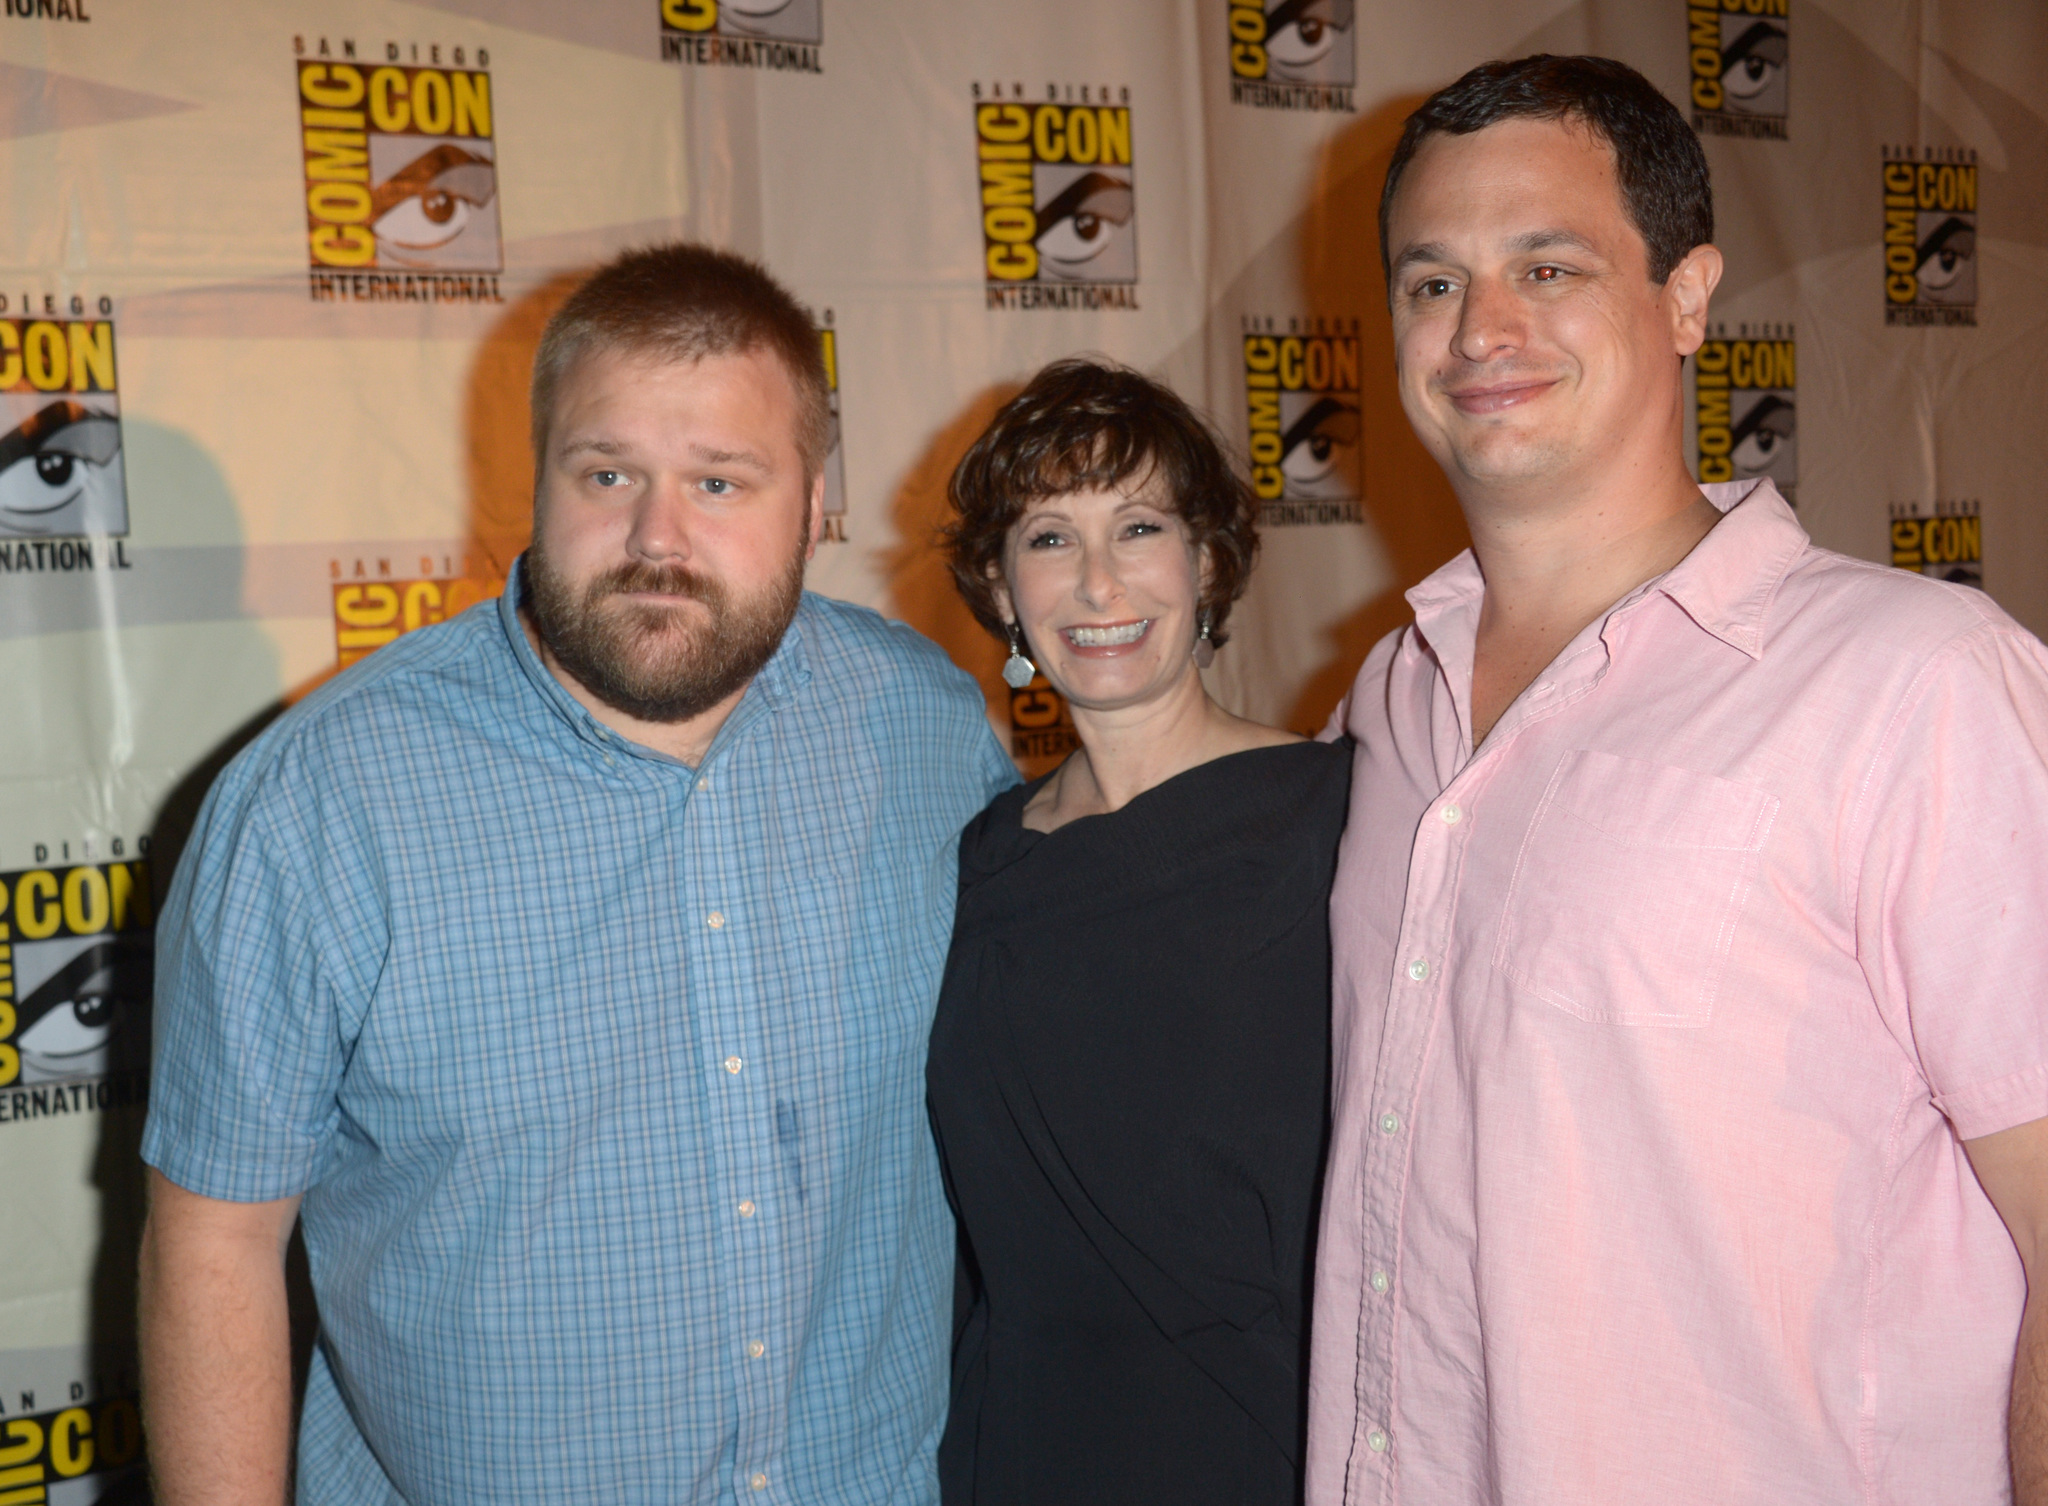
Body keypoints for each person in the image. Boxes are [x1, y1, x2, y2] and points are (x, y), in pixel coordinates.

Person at [136, 244, 1017, 1506]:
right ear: (536, 477)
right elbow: (214, 1240)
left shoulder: (927, 728)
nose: (657, 538)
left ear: (816, 497)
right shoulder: (322, 802)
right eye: (608, 473)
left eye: (721, 481)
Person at [1309, 54, 2048, 1506]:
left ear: (1689, 297)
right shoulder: (1386, 701)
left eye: (1549, 264)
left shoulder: (1918, 684)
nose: (1481, 329)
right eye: (1431, 281)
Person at [927, 358, 1351, 1504]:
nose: (1097, 583)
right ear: (1000, 588)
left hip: (1264, 1444)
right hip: (1018, 1446)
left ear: (1206, 562)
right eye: (1049, 539)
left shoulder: (1338, 818)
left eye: (1139, 527)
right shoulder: (982, 860)